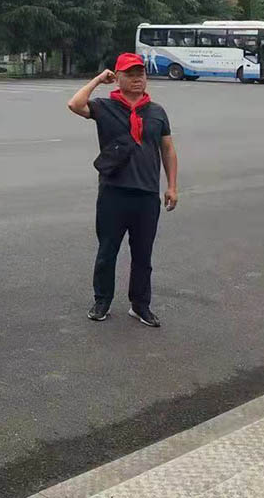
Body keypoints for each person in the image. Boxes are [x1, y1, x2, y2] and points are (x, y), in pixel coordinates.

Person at [67, 53, 179, 327]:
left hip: (147, 194)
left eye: (141, 73)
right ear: (117, 78)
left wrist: (172, 186)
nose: (137, 78)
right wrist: (97, 79)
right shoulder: (105, 107)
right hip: (113, 193)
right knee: (108, 251)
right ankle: (102, 300)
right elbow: (75, 104)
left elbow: (167, 149)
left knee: (143, 254)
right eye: (130, 74)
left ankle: (140, 305)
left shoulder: (156, 111)